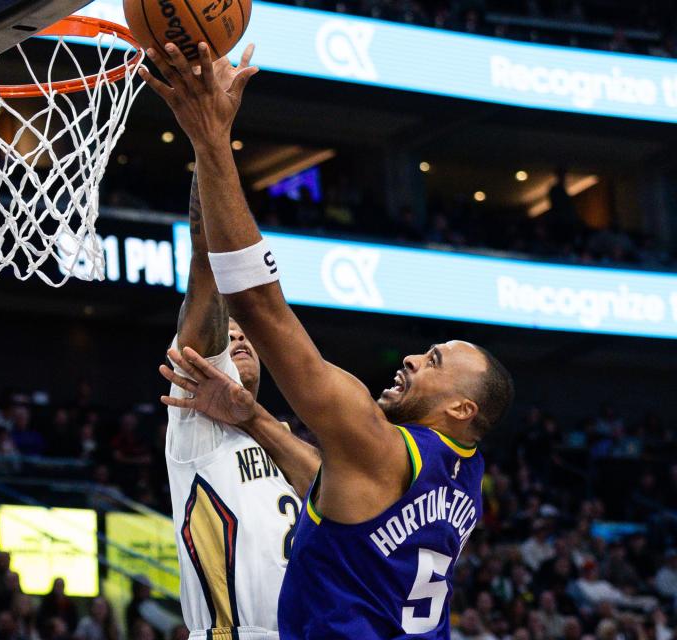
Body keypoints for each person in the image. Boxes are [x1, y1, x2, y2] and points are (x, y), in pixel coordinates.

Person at [142, 41, 514, 639]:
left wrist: (212, 138)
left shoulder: (375, 442)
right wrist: (258, 420)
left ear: (460, 407)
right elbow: (337, 480)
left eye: (435, 360)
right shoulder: (462, 470)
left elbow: (258, 304)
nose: (414, 356)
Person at [152, 42, 310, 640]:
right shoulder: (200, 412)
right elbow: (207, 269)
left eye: (248, 336)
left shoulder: (284, 437)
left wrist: (261, 424)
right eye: (229, 333)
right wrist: (207, 136)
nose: (236, 339)